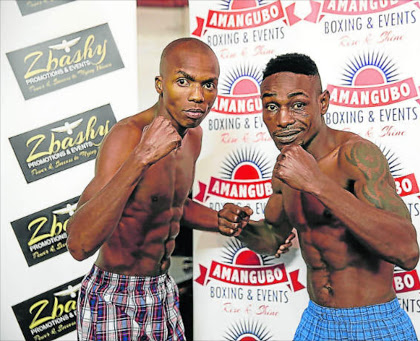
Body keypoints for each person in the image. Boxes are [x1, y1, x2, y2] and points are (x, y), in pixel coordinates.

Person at [66, 38, 292, 341]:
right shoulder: (128, 137)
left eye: (208, 85)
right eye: (184, 82)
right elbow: (79, 244)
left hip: (162, 288)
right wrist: (141, 157)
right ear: (161, 84)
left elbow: (171, 204)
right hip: (115, 294)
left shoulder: (194, 136)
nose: (198, 96)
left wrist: (219, 219)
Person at [218, 53, 420, 341]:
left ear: (322, 103)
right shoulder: (285, 168)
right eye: (271, 106)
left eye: (298, 105)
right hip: (316, 319)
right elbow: (273, 238)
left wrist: (316, 183)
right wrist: (241, 228)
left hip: (372, 319)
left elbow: (408, 252)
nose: (283, 119)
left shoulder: (355, 155)